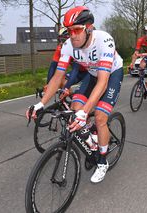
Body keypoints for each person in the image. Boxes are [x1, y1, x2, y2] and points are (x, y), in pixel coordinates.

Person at [26, 6, 124, 183]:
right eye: (69, 31)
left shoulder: (104, 40)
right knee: (75, 108)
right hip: (92, 74)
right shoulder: (68, 46)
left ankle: (102, 161)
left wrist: (86, 112)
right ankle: (92, 139)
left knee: (100, 117)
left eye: (77, 30)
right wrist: (41, 104)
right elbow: (58, 77)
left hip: (111, 75)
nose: (72, 35)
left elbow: (103, 82)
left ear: (89, 28)